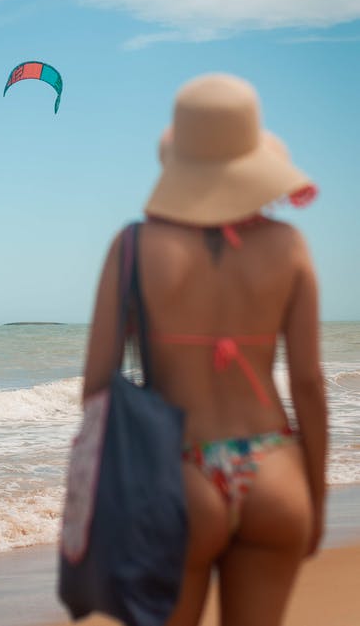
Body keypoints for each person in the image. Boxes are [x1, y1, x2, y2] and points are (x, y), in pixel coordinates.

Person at [82, 74, 327, 626]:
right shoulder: (289, 247)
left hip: (180, 476)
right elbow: (308, 383)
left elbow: (96, 389)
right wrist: (315, 496)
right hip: (274, 473)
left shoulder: (133, 247)